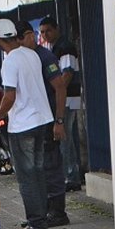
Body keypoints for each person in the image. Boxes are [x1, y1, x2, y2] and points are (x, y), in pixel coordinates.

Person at [0, 18, 54, 229]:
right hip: (42, 119)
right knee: (38, 171)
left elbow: (10, 95)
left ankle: (35, 224)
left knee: (26, 175)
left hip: (23, 125)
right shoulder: (31, 54)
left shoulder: (10, 62)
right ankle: (41, 217)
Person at [16, 19, 70, 227]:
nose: (26, 40)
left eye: (28, 35)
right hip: (36, 121)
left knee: (51, 165)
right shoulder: (25, 58)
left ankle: (58, 212)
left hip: (48, 120)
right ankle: (44, 211)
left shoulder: (44, 57)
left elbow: (60, 87)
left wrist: (59, 120)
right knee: (39, 167)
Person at [39, 16, 83, 191]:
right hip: (68, 97)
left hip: (68, 98)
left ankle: (71, 176)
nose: (45, 35)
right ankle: (73, 173)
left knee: (65, 138)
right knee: (70, 137)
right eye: (42, 32)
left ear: (57, 29)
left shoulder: (64, 48)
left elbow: (67, 74)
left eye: (48, 30)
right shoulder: (55, 47)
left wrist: (58, 93)